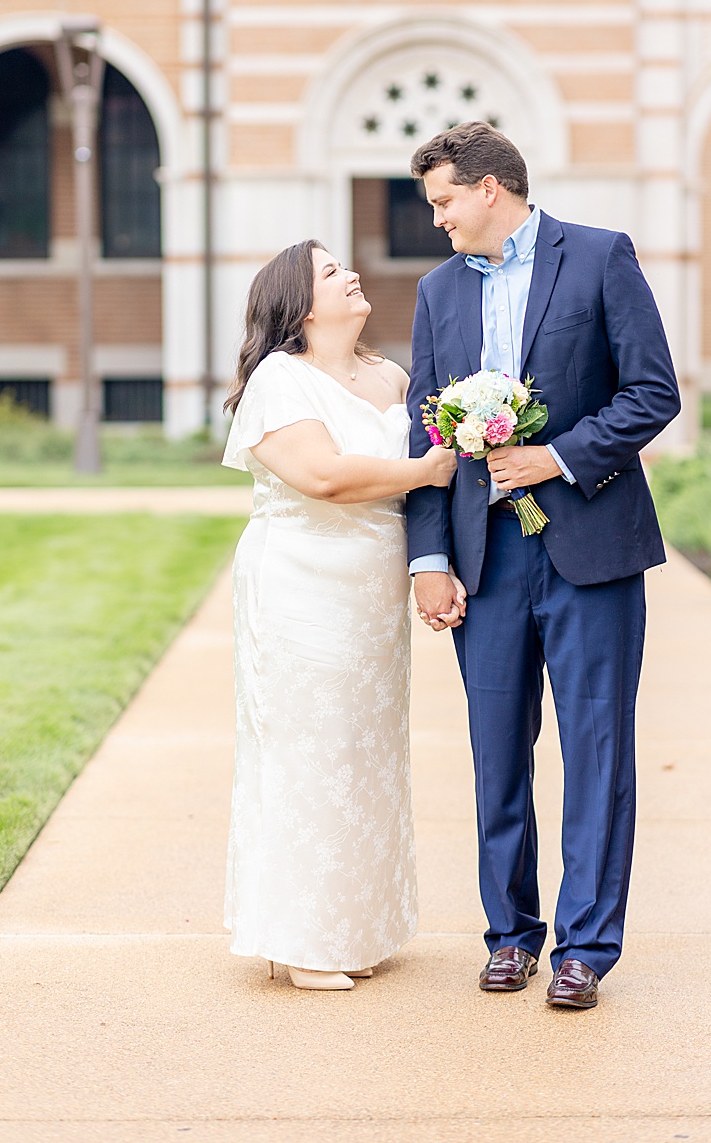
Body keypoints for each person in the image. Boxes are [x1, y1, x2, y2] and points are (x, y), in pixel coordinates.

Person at [404, 121, 680, 1011]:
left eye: (444, 200)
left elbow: (652, 392)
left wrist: (556, 456)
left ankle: (586, 947)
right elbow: (425, 433)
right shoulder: (438, 291)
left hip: (590, 548)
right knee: (495, 754)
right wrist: (430, 555)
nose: (438, 220)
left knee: (597, 747)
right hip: (484, 559)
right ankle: (510, 935)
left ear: (491, 188)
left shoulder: (600, 258)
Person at [219, 242, 458, 990]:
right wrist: (423, 468)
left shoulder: (390, 375)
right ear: (300, 303)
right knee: (305, 748)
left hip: (370, 594)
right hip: (300, 584)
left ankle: (355, 926)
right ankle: (299, 942)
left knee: (365, 753)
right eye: (329, 271)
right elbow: (321, 475)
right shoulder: (279, 379)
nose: (350, 274)